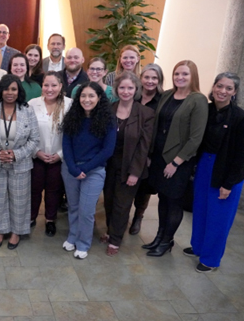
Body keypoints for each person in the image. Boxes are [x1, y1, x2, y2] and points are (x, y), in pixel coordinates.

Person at [183, 73, 244, 272]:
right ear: (213, 87)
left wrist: (228, 184)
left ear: (235, 92)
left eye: (229, 88)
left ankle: (210, 259)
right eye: (220, 86)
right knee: (201, 209)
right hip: (205, 165)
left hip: (227, 171)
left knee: (218, 217)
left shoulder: (240, 117)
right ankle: (199, 247)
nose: (223, 91)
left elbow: (240, 155)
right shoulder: (208, 110)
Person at [143, 60, 208, 257]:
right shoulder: (168, 95)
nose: (180, 77)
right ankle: (159, 237)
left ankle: (167, 241)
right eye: (177, 73)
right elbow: (157, 125)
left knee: (174, 202)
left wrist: (176, 162)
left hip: (179, 161)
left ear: (193, 76)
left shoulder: (198, 100)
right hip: (160, 157)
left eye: (185, 74)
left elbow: (196, 138)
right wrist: (150, 154)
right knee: (163, 198)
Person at [0, 75, 40, 250]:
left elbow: (34, 140)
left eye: (13, 89)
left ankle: (16, 232)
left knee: (19, 199)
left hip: (20, 163)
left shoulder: (27, 111)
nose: (9, 93)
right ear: (0, 90)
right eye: (6, 89)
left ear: (19, 91)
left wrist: (17, 154)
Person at [101, 72, 154, 256]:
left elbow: (144, 146)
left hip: (130, 166)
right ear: (116, 89)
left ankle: (115, 240)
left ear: (136, 90)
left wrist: (135, 172)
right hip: (108, 165)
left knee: (122, 205)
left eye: (130, 88)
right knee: (108, 201)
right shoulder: (109, 109)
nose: (126, 91)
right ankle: (110, 231)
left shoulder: (145, 113)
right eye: (122, 87)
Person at [62, 82, 116, 259]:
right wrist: (72, 167)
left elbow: (107, 150)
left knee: (86, 210)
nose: (87, 99)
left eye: (91, 96)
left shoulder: (108, 120)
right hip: (71, 168)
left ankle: (83, 243)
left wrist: (84, 168)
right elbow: (66, 144)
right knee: (74, 207)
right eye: (83, 96)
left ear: (99, 98)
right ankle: (73, 236)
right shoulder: (72, 117)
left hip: (94, 170)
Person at [28, 71, 72, 236]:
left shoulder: (69, 105)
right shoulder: (32, 104)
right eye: (46, 85)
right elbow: (25, 132)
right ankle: (31, 217)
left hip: (59, 158)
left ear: (61, 87)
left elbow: (73, 135)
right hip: (36, 156)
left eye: (54, 85)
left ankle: (50, 220)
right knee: (34, 189)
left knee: (54, 191)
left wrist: (59, 154)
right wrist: (36, 152)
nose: (50, 89)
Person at [129, 63, 165, 235]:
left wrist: (150, 154)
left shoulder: (163, 101)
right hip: (130, 147)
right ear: (141, 78)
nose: (150, 81)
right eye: (147, 77)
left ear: (159, 80)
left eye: (154, 78)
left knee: (144, 187)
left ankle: (138, 216)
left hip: (150, 150)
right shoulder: (132, 96)